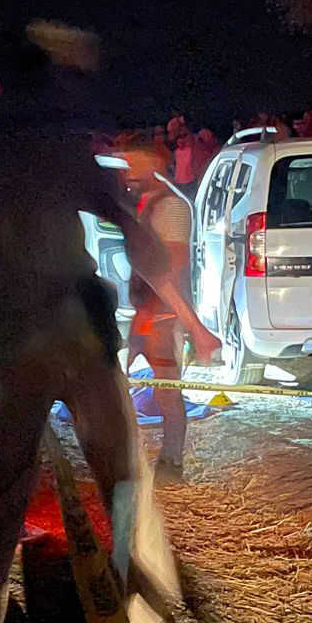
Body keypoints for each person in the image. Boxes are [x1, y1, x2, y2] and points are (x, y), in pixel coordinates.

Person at [0, 22, 215, 623]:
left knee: (6, 487)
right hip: (74, 327)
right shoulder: (63, 144)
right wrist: (182, 310)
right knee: (125, 474)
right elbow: (134, 233)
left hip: (13, 329)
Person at [118, 137, 199, 477]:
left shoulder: (171, 207)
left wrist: (161, 314)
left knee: (166, 388)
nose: (127, 170)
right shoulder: (146, 202)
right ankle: (135, 458)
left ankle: (171, 461)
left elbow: (174, 266)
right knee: (123, 381)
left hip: (161, 315)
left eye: (133, 162)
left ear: (155, 162)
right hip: (146, 311)